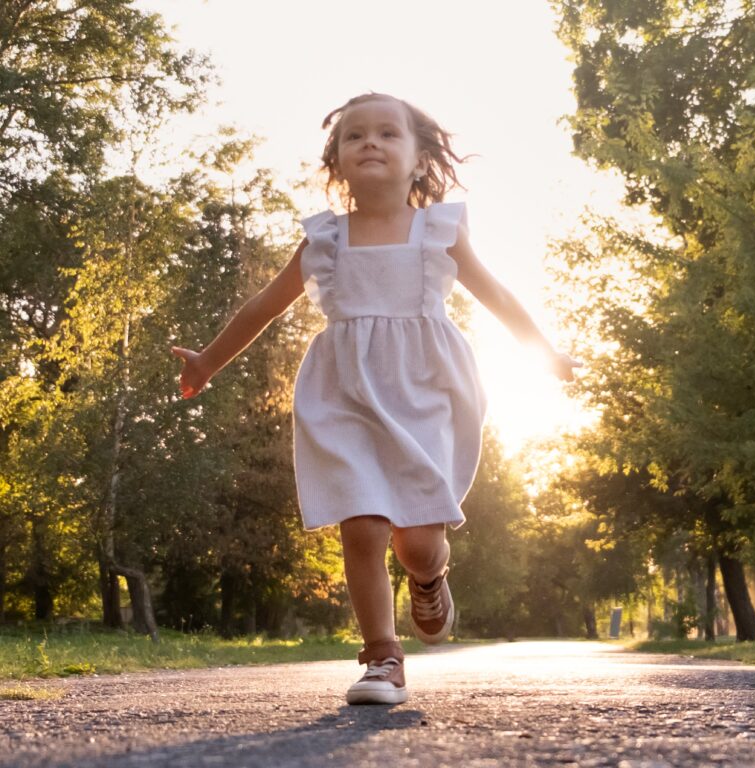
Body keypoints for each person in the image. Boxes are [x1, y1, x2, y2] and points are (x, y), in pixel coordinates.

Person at [172, 92, 580, 705]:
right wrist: (207, 361)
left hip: (425, 392)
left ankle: (429, 575)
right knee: (361, 527)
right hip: (344, 394)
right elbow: (263, 305)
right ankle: (382, 658)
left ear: (419, 160)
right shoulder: (323, 241)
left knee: (416, 540)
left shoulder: (440, 230)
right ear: (336, 161)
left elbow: (497, 295)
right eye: (355, 135)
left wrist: (543, 351)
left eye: (388, 133)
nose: (370, 142)